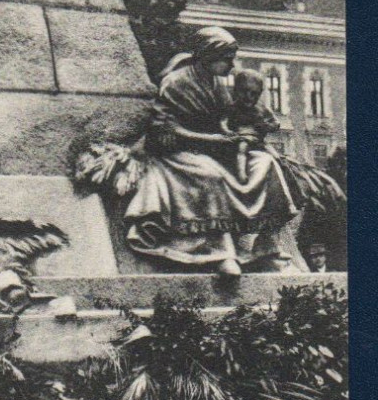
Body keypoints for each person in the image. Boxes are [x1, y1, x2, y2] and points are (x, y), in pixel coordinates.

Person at [125, 27, 299, 276]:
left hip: (216, 148)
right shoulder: (176, 82)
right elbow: (164, 132)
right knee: (212, 175)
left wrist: (243, 136)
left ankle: (265, 248)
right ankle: (219, 252)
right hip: (178, 152)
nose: (232, 65)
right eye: (227, 58)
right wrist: (213, 140)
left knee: (264, 164)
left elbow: (225, 119)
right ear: (208, 55)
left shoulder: (217, 83)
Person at [221, 69, 280, 183]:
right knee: (242, 150)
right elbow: (223, 121)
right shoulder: (233, 107)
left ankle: (285, 176)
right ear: (235, 90)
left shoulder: (262, 108)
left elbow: (276, 122)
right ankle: (242, 174)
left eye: (254, 94)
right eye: (244, 91)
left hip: (260, 141)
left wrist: (268, 126)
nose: (249, 97)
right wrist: (227, 131)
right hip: (242, 138)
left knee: (276, 157)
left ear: (260, 93)